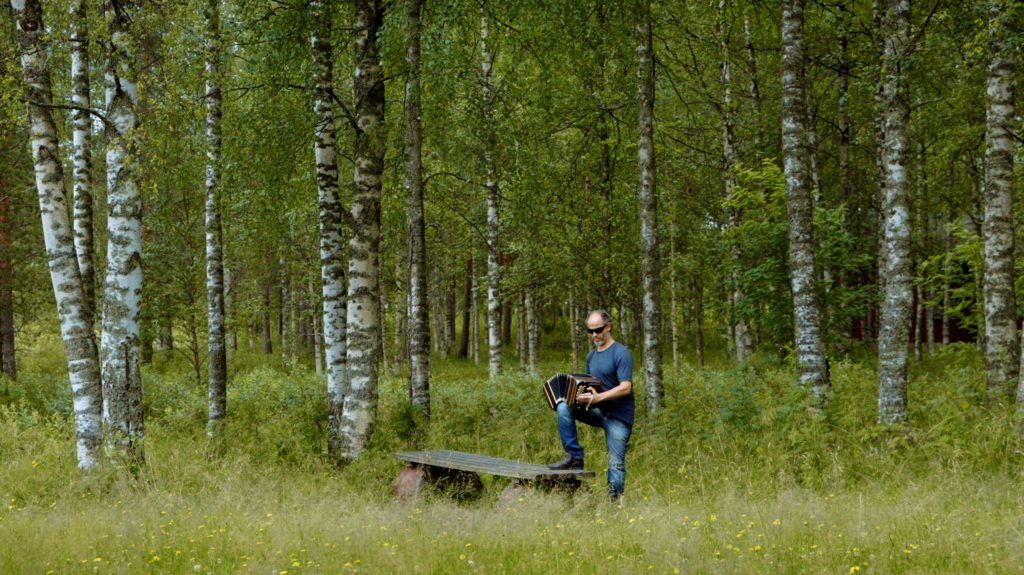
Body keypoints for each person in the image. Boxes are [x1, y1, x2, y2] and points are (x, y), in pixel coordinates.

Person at [548, 309, 634, 501]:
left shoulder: (621, 353)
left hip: (618, 417)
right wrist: (581, 395)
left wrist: (598, 398)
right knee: (562, 405)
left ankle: (615, 505)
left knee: (616, 465)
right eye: (590, 331)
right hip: (597, 410)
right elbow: (592, 384)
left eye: (598, 330)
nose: (594, 335)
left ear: (609, 327)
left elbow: (625, 388)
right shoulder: (591, 356)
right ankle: (575, 457)